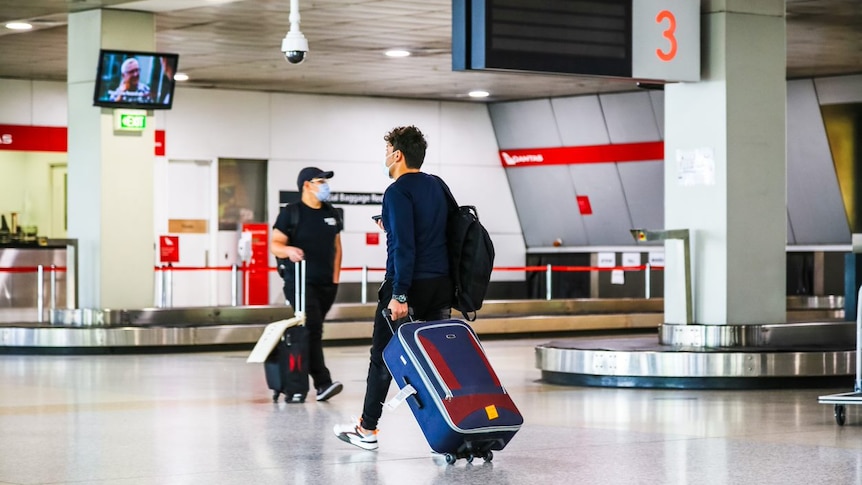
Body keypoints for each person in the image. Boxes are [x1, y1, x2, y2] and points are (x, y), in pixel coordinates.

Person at [333, 125, 452, 450]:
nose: (385, 156)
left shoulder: (398, 191)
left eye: (387, 150)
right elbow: (440, 231)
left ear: (398, 154)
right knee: (436, 361)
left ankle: (367, 430)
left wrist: (399, 295)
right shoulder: (437, 186)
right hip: (440, 286)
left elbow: (404, 245)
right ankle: (449, 432)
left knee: (384, 357)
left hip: (408, 288)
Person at [270, 167, 344, 402]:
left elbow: (337, 247)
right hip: (300, 283)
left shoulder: (332, 212)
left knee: (312, 332)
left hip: (326, 285)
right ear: (306, 185)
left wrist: (335, 279)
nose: (325, 186)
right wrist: (288, 250)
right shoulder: (291, 213)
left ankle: (312, 382)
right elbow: (275, 244)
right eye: (320, 181)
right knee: (312, 330)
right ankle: (323, 382)